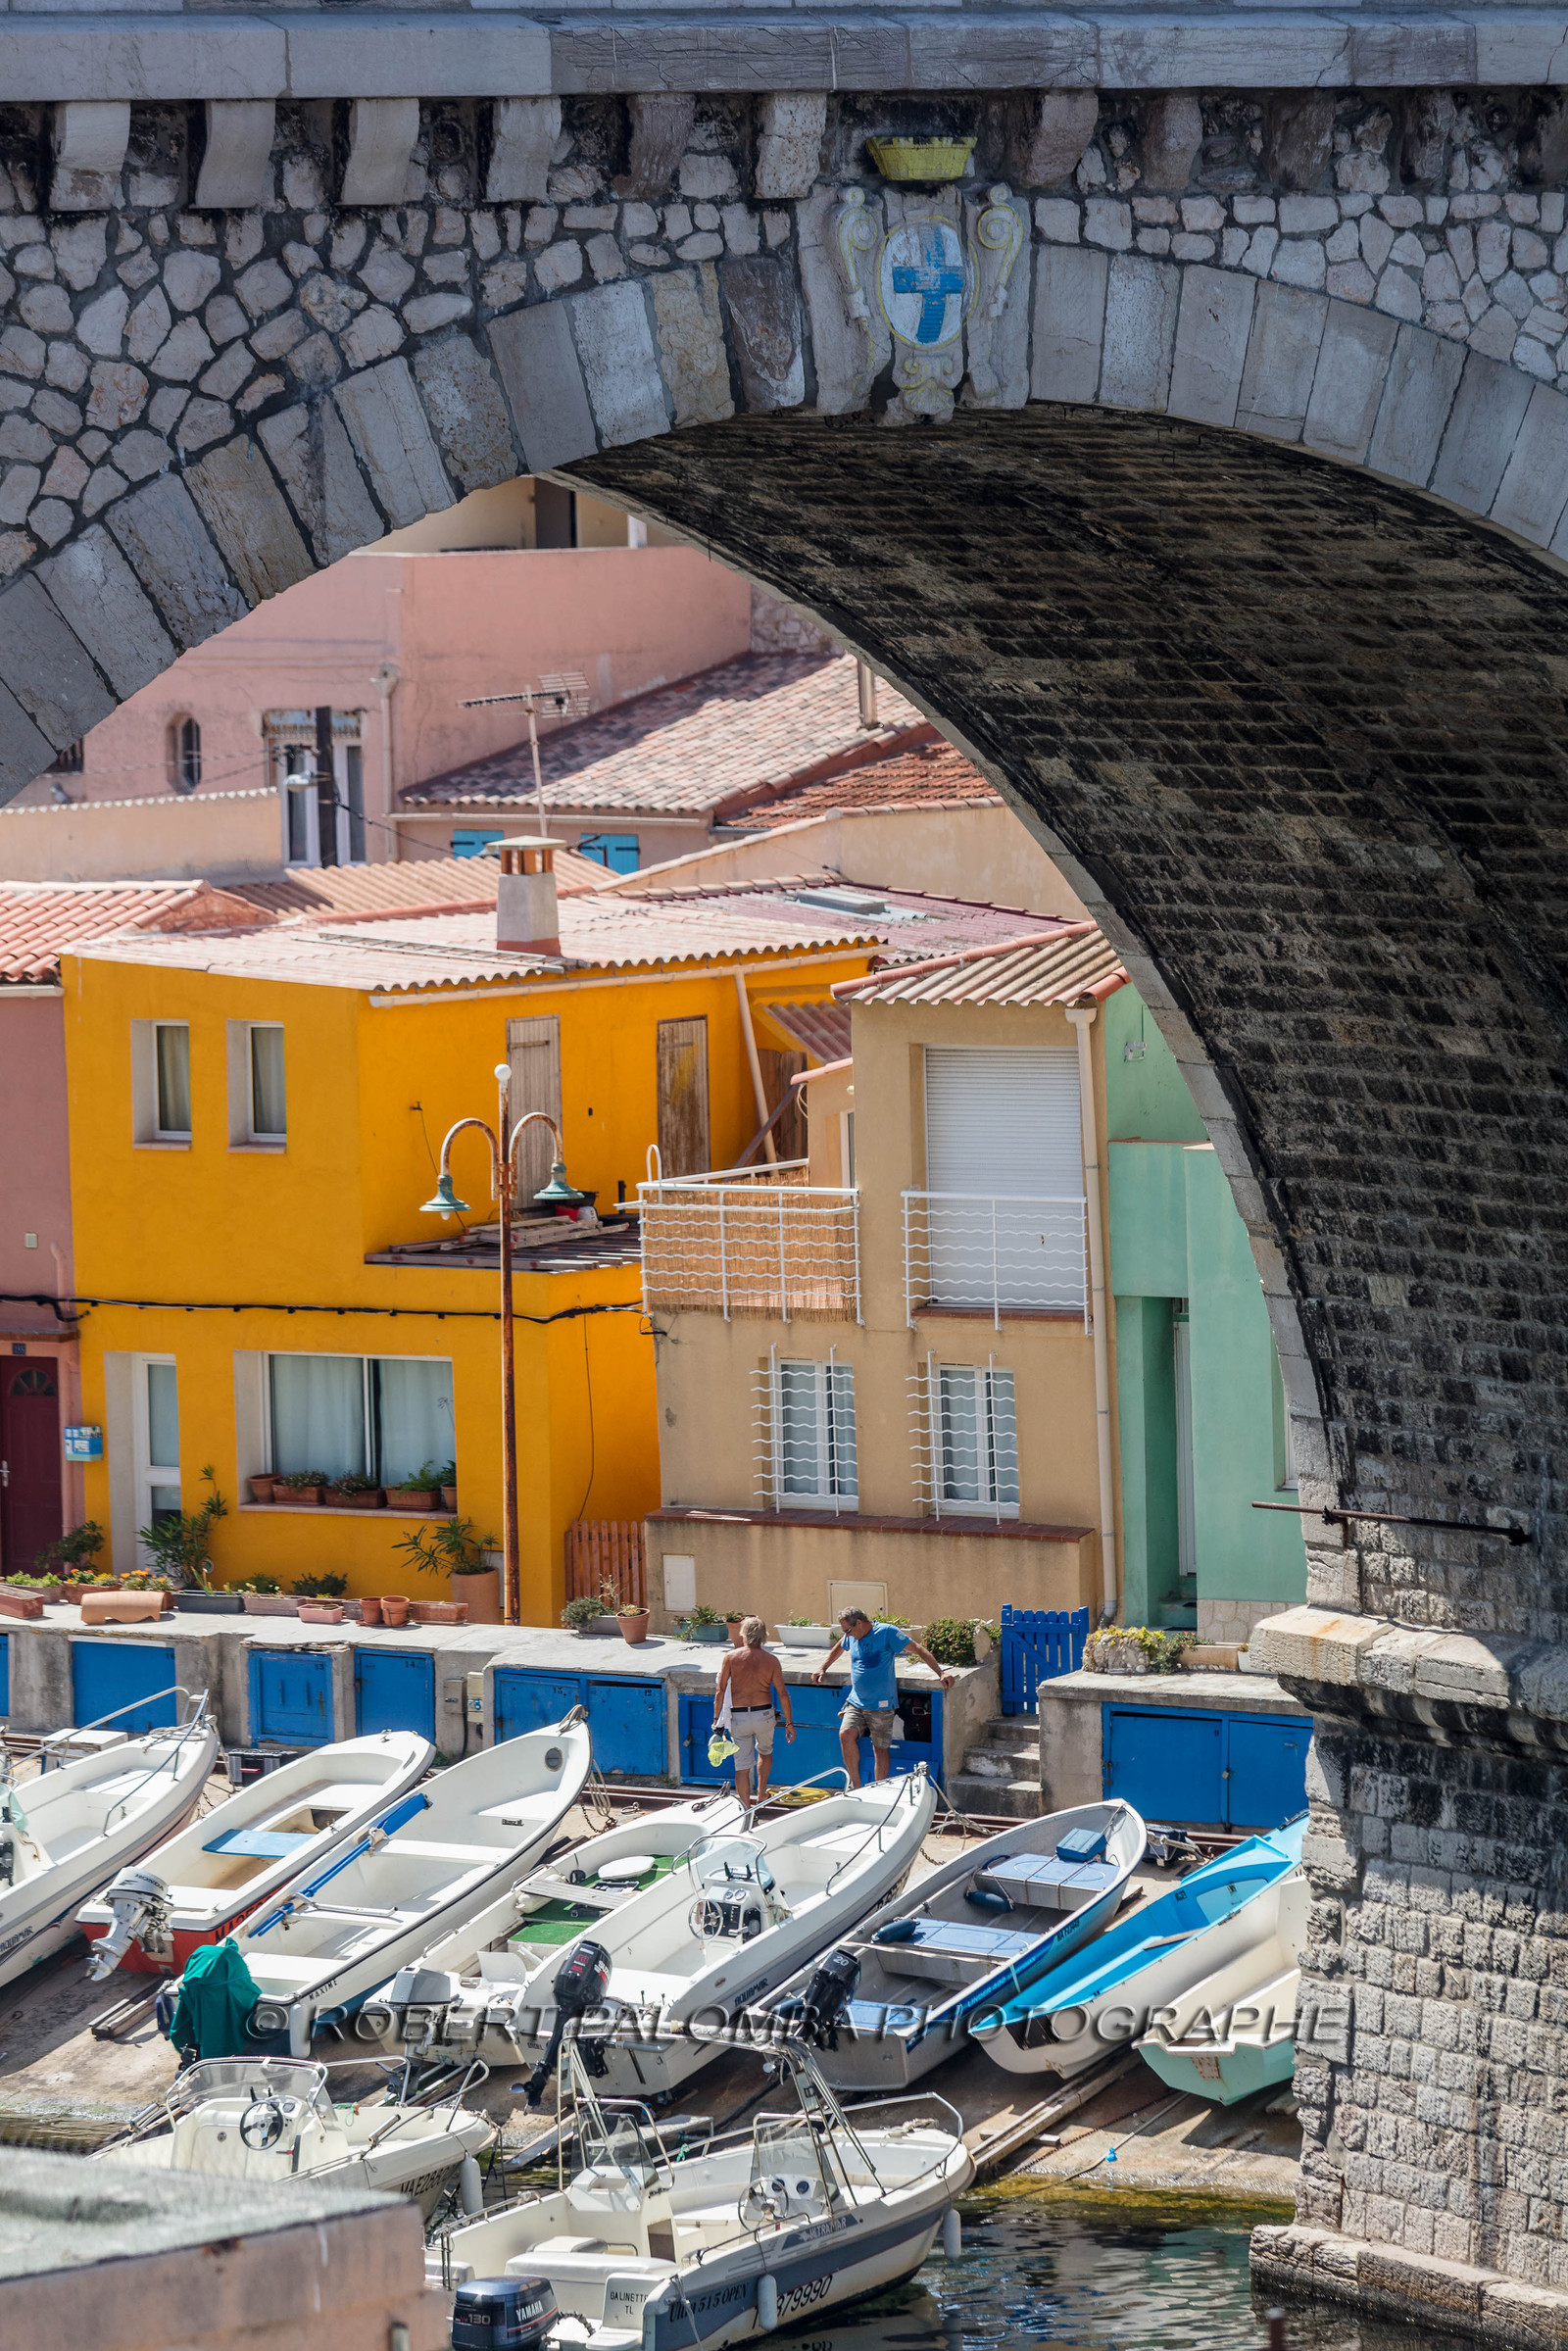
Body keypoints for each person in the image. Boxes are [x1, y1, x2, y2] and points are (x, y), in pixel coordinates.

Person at [813, 1608, 956, 1788]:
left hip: (881, 1703)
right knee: (845, 1734)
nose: (846, 1635)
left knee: (879, 1748)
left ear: (859, 1623)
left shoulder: (887, 1632)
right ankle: (856, 1785)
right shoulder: (851, 1636)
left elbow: (917, 1648)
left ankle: (877, 1788)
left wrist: (941, 1672)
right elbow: (840, 1646)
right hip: (856, 1700)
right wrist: (822, 1667)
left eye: (847, 1630)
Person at [712, 1615, 794, 1806]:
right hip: (763, 1714)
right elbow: (783, 1694)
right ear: (763, 1636)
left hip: (738, 1717)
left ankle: (746, 1808)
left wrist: (717, 1719)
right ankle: (761, 1791)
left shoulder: (731, 1658)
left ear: (743, 1634)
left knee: (742, 1766)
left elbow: (720, 1691)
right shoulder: (772, 1660)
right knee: (765, 1753)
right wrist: (789, 1723)